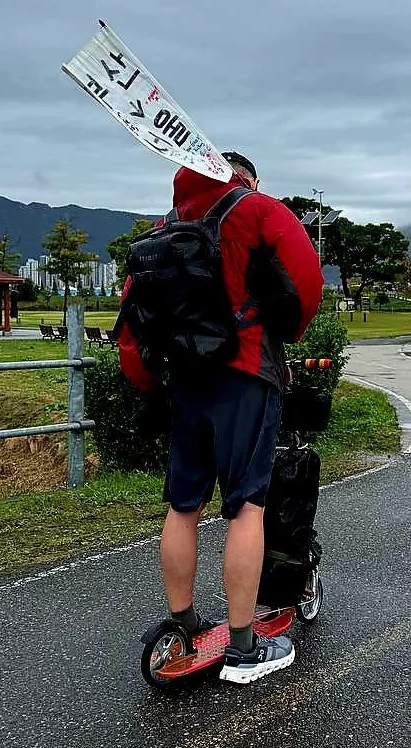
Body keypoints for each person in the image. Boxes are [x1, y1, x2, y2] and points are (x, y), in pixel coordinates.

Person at [118, 151, 324, 684]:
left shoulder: (165, 230)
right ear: (245, 177)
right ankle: (243, 647)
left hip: (186, 380)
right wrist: (285, 333)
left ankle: (183, 623)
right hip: (246, 376)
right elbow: (307, 285)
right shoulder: (261, 210)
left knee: (183, 505)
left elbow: (131, 320)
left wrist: (147, 382)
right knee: (246, 507)